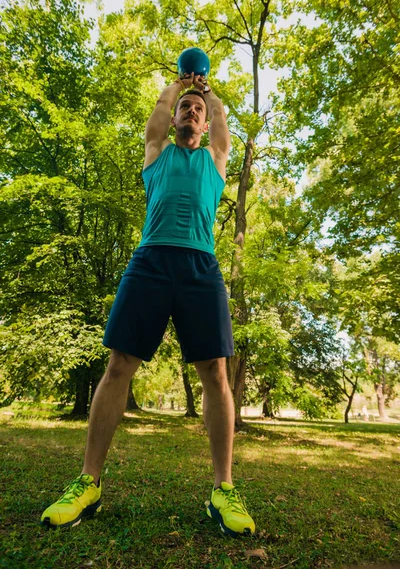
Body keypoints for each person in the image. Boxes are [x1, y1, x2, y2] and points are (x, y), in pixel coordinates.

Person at [41, 71, 255, 537]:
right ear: (174, 116)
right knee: (119, 365)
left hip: (201, 266)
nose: (191, 112)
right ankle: (88, 482)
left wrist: (209, 94)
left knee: (216, 372)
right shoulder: (156, 156)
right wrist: (179, 87)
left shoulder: (215, 161)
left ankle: (223, 489)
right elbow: (158, 113)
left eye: (198, 110)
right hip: (151, 260)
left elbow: (221, 121)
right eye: (185, 108)